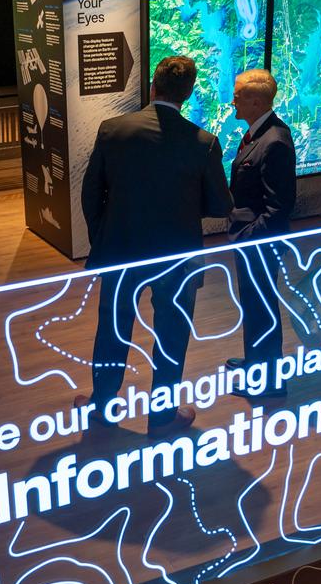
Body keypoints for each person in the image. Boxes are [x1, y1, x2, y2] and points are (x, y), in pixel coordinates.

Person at [79, 55, 233, 436]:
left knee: (113, 329)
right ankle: (162, 416)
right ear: (189, 93)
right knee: (171, 335)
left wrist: (103, 237)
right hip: (177, 257)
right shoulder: (204, 143)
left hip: (122, 249)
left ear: (152, 85)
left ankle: (102, 405)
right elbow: (220, 206)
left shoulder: (113, 130)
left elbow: (89, 194)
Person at [225, 69, 296, 399]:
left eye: (238, 96)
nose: (233, 101)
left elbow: (278, 207)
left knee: (261, 307)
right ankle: (258, 363)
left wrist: (247, 239)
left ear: (256, 101)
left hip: (259, 243)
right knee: (254, 306)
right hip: (252, 239)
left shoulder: (274, 142)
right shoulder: (259, 133)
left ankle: (269, 383)